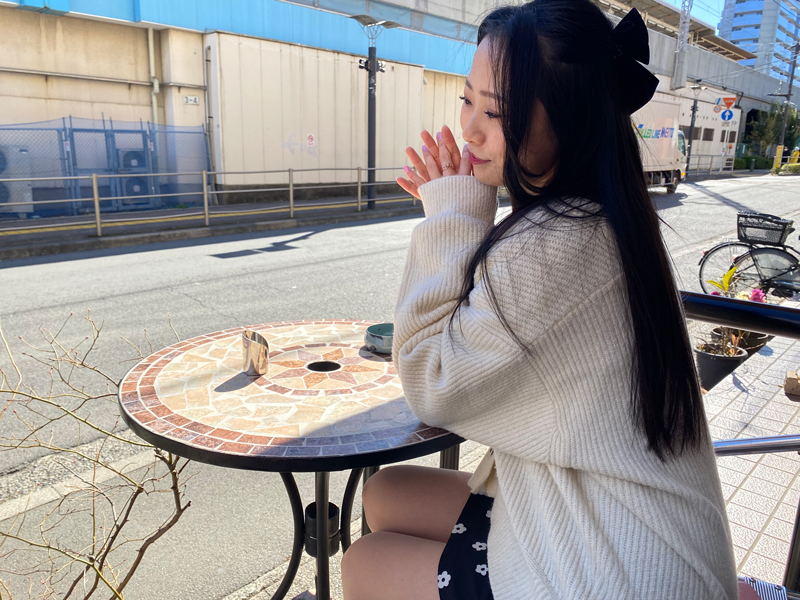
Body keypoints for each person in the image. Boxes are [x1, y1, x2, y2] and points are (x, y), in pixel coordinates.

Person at [340, 1, 738, 598]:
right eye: (467, 100)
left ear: (570, 121)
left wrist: (453, 213)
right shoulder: (598, 216)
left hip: (613, 571)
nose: (470, 129)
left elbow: (429, 382)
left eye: (496, 111)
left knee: (365, 562)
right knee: (384, 491)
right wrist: (462, 206)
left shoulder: (551, 247)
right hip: (604, 516)